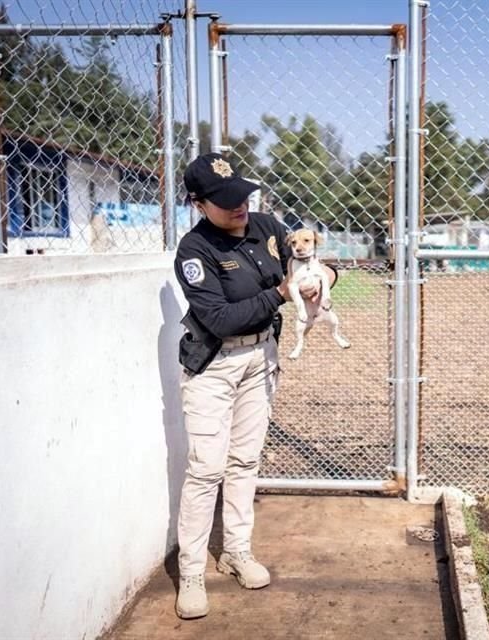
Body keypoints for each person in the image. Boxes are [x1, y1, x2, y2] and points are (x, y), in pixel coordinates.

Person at [172, 153, 336, 619]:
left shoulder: (267, 224)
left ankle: (236, 552)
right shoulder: (194, 250)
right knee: (206, 469)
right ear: (199, 203)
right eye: (226, 201)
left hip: (262, 355)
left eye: (242, 194)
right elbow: (220, 318)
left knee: (245, 460)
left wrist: (323, 277)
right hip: (215, 365)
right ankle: (191, 573)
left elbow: (311, 264)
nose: (240, 205)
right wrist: (283, 293)